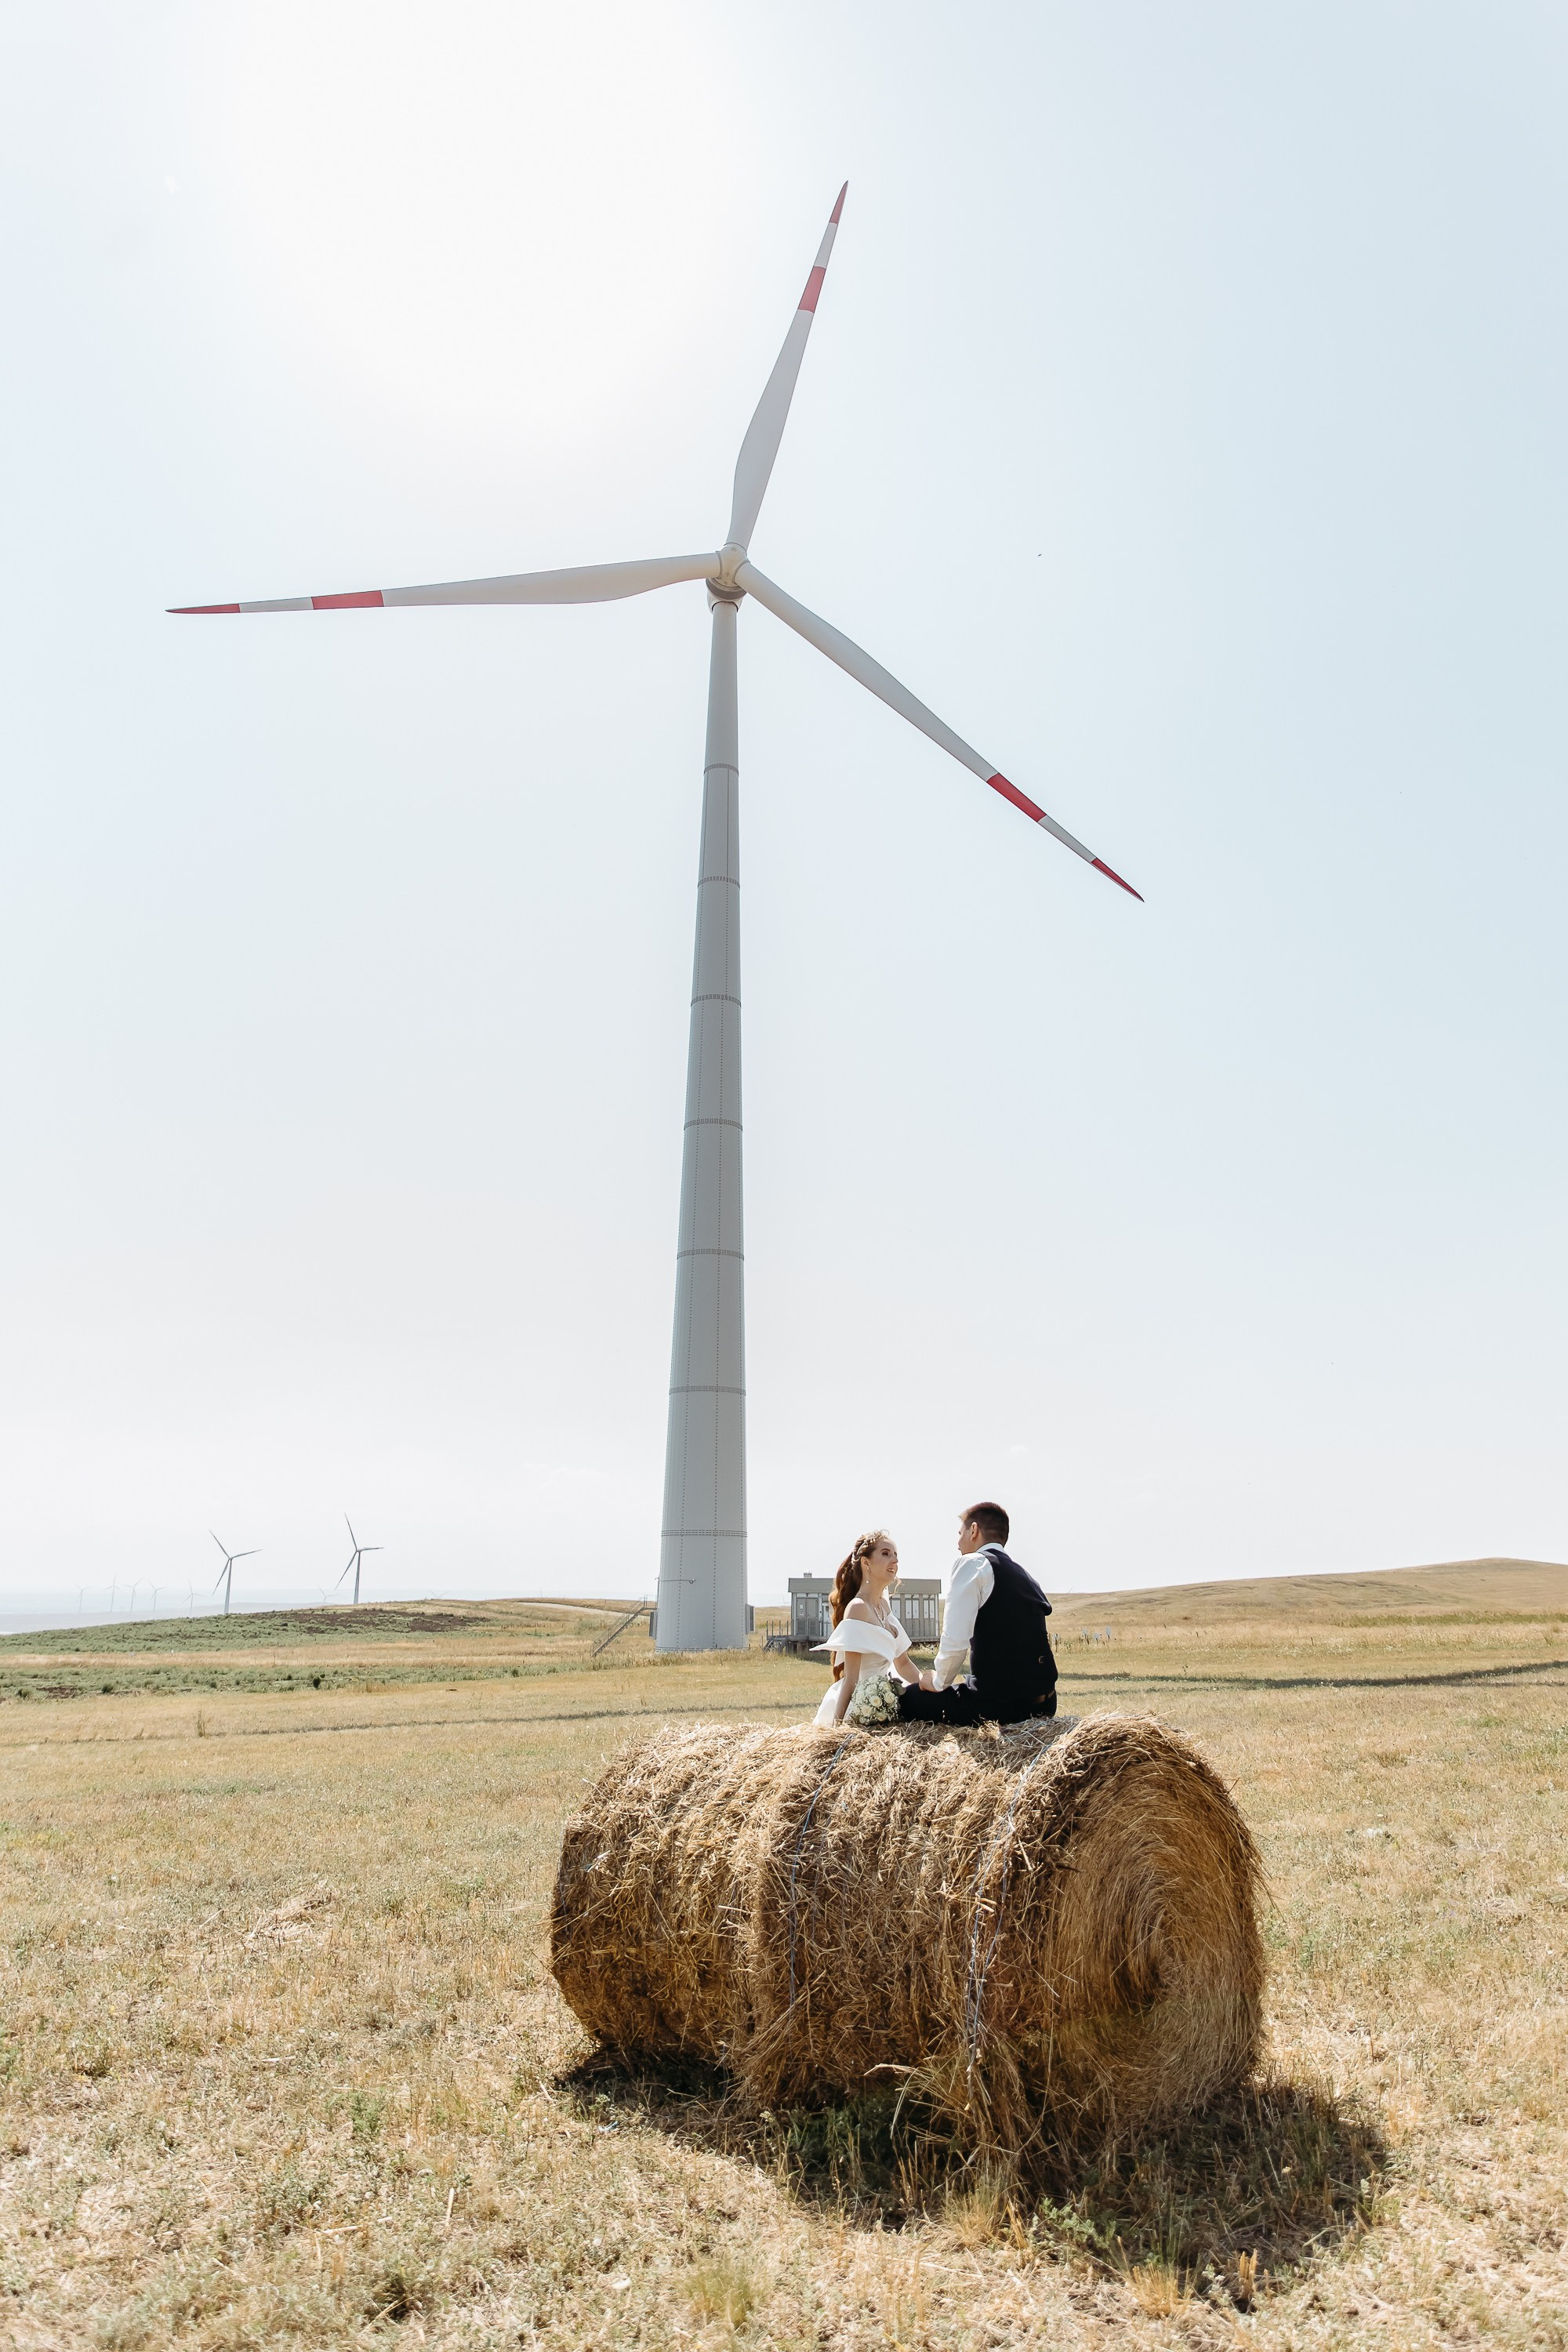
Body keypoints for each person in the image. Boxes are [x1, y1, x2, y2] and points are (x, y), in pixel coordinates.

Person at [895, 1501, 1055, 1726]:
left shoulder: (973, 1563)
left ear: (974, 1530)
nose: (958, 1543)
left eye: (960, 1533)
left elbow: (955, 1638)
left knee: (903, 1700)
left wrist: (939, 1681)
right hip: (1044, 1703)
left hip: (999, 1705)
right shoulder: (1024, 1575)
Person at [811, 1530, 921, 1726]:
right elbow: (851, 1679)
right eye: (886, 1553)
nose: (894, 1560)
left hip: (888, 1695)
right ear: (866, 1562)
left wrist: (929, 1688)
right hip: (863, 1703)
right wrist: (837, 1730)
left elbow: (903, 1664)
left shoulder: (884, 1606)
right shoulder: (858, 1608)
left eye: (896, 1555)